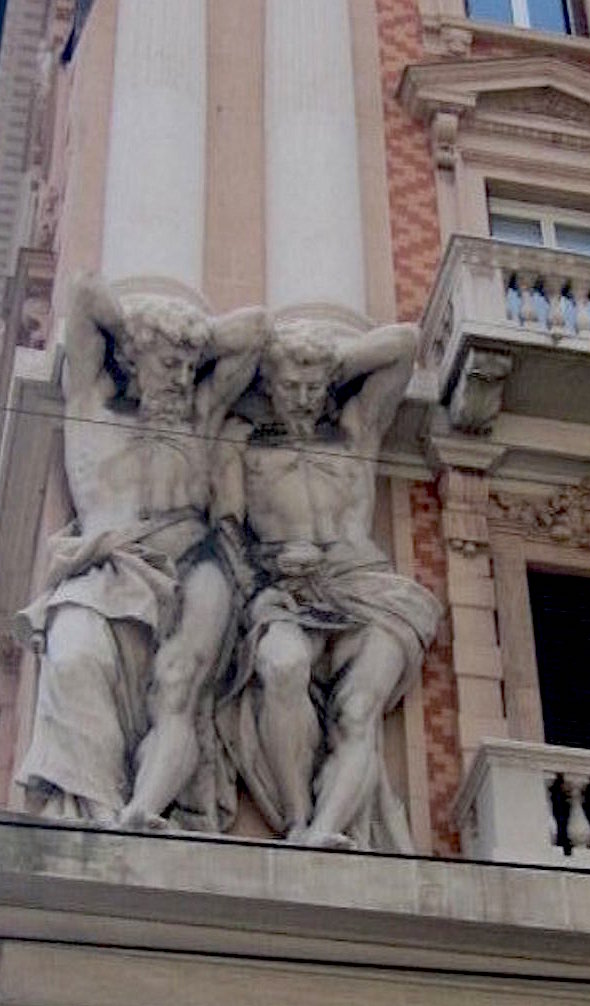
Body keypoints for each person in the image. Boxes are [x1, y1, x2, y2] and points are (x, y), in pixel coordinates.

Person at [15, 274, 267, 827]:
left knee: (179, 687)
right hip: (108, 568)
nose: (181, 378)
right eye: (168, 365)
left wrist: (189, 338)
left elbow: (255, 330)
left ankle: (143, 811)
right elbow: (84, 297)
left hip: (195, 565)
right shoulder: (91, 408)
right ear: (133, 360)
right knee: (73, 656)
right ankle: (99, 810)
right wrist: (142, 332)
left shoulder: (200, 417)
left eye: (188, 367)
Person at [216, 313, 440, 850]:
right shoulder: (242, 442)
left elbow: (404, 342)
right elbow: (227, 530)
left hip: (369, 589)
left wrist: (330, 362)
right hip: (285, 592)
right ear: (269, 385)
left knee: (358, 713)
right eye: (290, 386)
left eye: (312, 388)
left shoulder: (355, 431)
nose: (301, 398)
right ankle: (297, 818)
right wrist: (265, 568)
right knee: (282, 667)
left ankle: (325, 830)